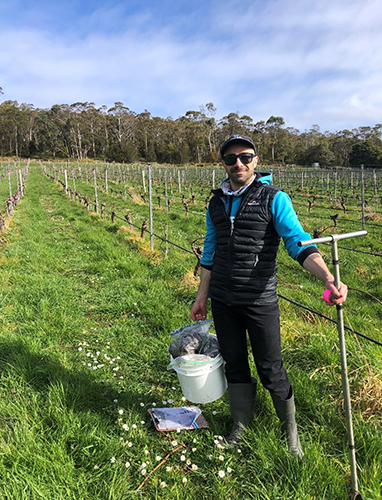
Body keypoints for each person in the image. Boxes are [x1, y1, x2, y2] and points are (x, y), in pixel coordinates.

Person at [190, 134, 348, 457]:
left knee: (270, 367)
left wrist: (329, 278)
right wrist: (201, 296)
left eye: (245, 157)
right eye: (231, 158)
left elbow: (298, 242)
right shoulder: (215, 202)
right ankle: (241, 426)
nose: (238, 163)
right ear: (223, 163)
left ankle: (290, 432)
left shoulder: (273, 198)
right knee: (233, 362)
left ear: (256, 161)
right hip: (222, 299)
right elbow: (210, 251)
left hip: (259, 300)